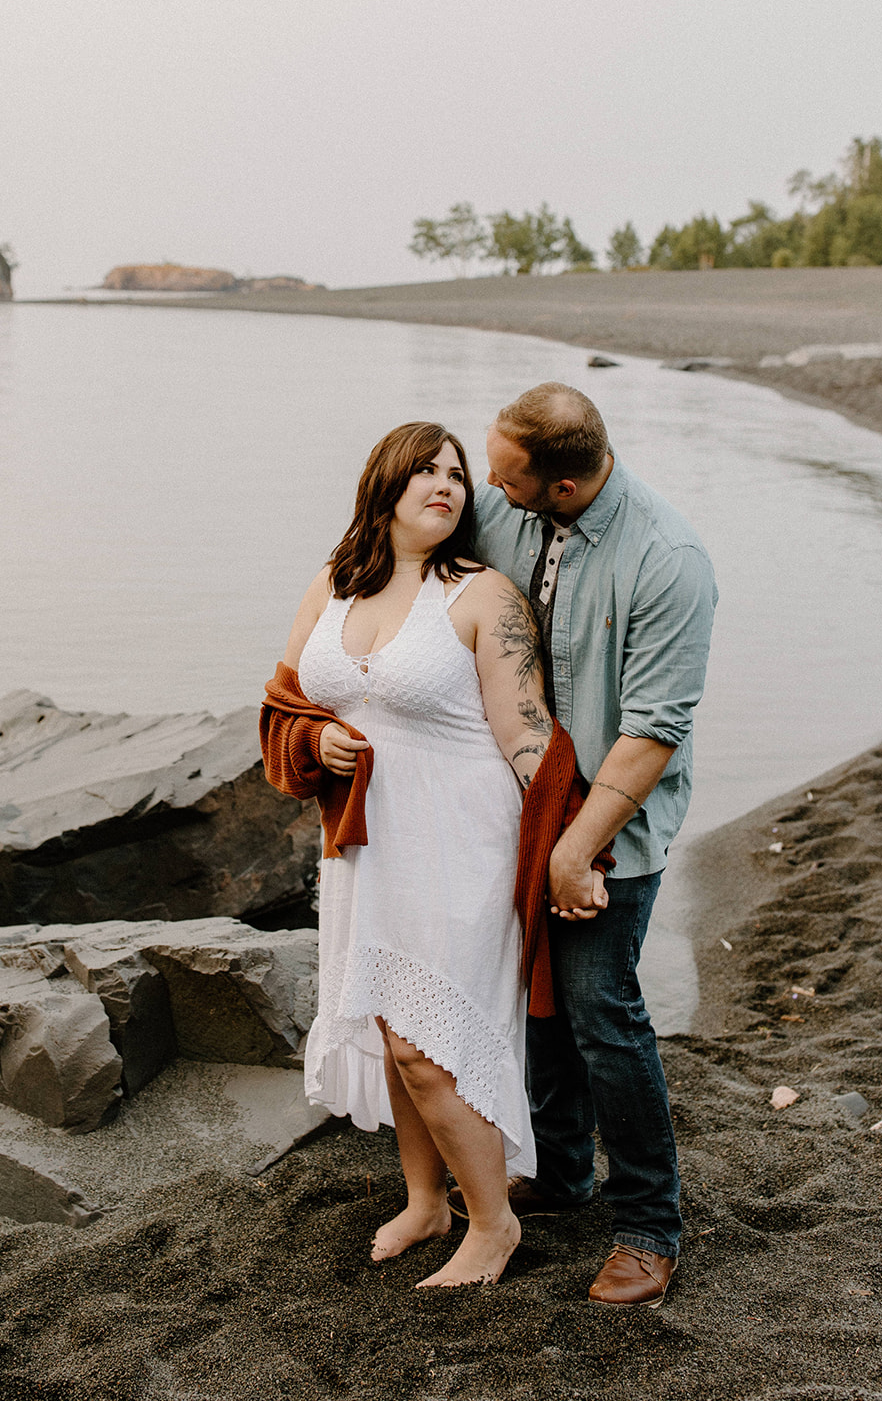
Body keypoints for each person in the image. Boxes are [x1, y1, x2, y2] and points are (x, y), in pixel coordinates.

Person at [261, 420, 561, 1289]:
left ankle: (492, 1224)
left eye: (458, 474)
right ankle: (426, 1201)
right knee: (395, 1031)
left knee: (427, 1044)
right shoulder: (334, 581)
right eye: (427, 469)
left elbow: (526, 736)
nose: (446, 484)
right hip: (363, 843)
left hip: (459, 839)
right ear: (383, 484)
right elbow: (285, 702)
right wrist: (318, 746)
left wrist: (574, 849)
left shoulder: (480, 594)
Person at [466, 381, 717, 1308]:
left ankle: (650, 1225)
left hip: (618, 822)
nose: (488, 488)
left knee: (600, 1009)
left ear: (562, 486)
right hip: (518, 808)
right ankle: (564, 1171)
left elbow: (652, 731)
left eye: (504, 475)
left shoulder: (667, 558)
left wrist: (578, 846)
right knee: (537, 1003)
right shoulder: (508, 515)